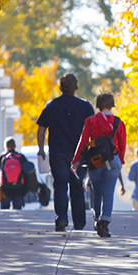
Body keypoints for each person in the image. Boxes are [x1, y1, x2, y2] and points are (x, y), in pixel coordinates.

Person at [36, 73, 94, 232]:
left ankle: (61, 220)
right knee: (77, 187)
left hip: (57, 152)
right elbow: (92, 129)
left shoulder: (51, 105)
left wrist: (41, 148)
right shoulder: (85, 106)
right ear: (75, 87)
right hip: (79, 154)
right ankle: (79, 223)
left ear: (60, 87)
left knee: (60, 186)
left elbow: (41, 129)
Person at [73, 92, 127, 238]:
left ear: (98, 105)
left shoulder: (91, 121)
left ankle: (97, 218)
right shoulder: (118, 122)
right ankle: (105, 222)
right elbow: (122, 145)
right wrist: (120, 161)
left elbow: (83, 142)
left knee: (96, 192)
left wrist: (76, 161)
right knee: (109, 192)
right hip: (112, 160)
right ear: (112, 105)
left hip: (95, 160)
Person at [0, 136, 28, 210]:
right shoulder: (21, 157)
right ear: (14, 146)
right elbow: (26, 172)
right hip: (19, 188)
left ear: (6, 146)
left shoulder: (2, 157)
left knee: (4, 210)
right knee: (17, 210)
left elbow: (0, 171)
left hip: (5, 188)